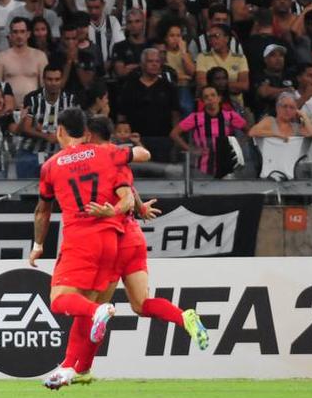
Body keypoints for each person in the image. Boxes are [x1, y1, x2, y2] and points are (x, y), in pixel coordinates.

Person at [54, 115, 210, 384]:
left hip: (114, 238)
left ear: (89, 135)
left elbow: (123, 197)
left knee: (92, 306)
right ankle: (184, 316)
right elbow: (128, 190)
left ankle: (73, 366)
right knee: (141, 304)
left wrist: (112, 211)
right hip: (134, 237)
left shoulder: (97, 159)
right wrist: (139, 207)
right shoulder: (116, 159)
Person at [27, 108, 151, 387]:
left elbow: (42, 211)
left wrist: (38, 246)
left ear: (60, 130)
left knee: (61, 300)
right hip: (112, 241)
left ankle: (97, 314)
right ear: (86, 131)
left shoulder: (51, 166)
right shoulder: (106, 152)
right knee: (88, 305)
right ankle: (72, 369)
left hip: (80, 238)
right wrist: (129, 150)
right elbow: (142, 156)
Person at [171, 86, 249, 177]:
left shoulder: (230, 115)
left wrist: (237, 145)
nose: (210, 98)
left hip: (226, 163)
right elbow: (174, 134)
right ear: (202, 101)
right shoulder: (195, 117)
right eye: (206, 97)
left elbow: (249, 132)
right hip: (202, 166)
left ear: (219, 98)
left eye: (213, 95)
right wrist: (191, 149)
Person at [249, 92, 312, 179]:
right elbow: (252, 132)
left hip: (291, 176)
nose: (288, 110)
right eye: (284, 106)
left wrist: (304, 116)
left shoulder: (297, 128)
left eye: (292, 108)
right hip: (268, 175)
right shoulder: (269, 121)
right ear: (277, 108)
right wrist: (276, 135)